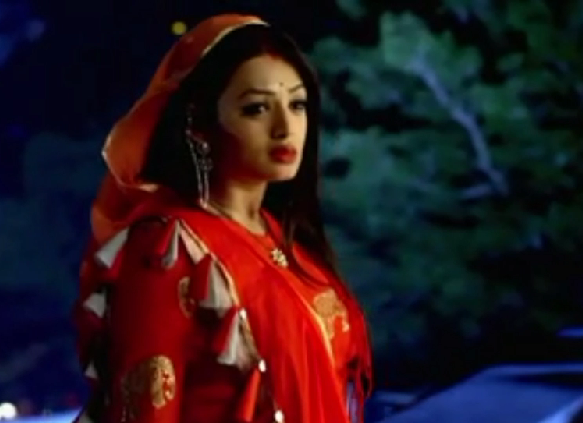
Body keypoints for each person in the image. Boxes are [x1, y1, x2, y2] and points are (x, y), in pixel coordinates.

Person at [73, 13, 372, 423]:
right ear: (199, 123)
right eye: (256, 108)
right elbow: (146, 409)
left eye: (297, 104)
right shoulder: (170, 249)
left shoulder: (291, 244)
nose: (285, 127)